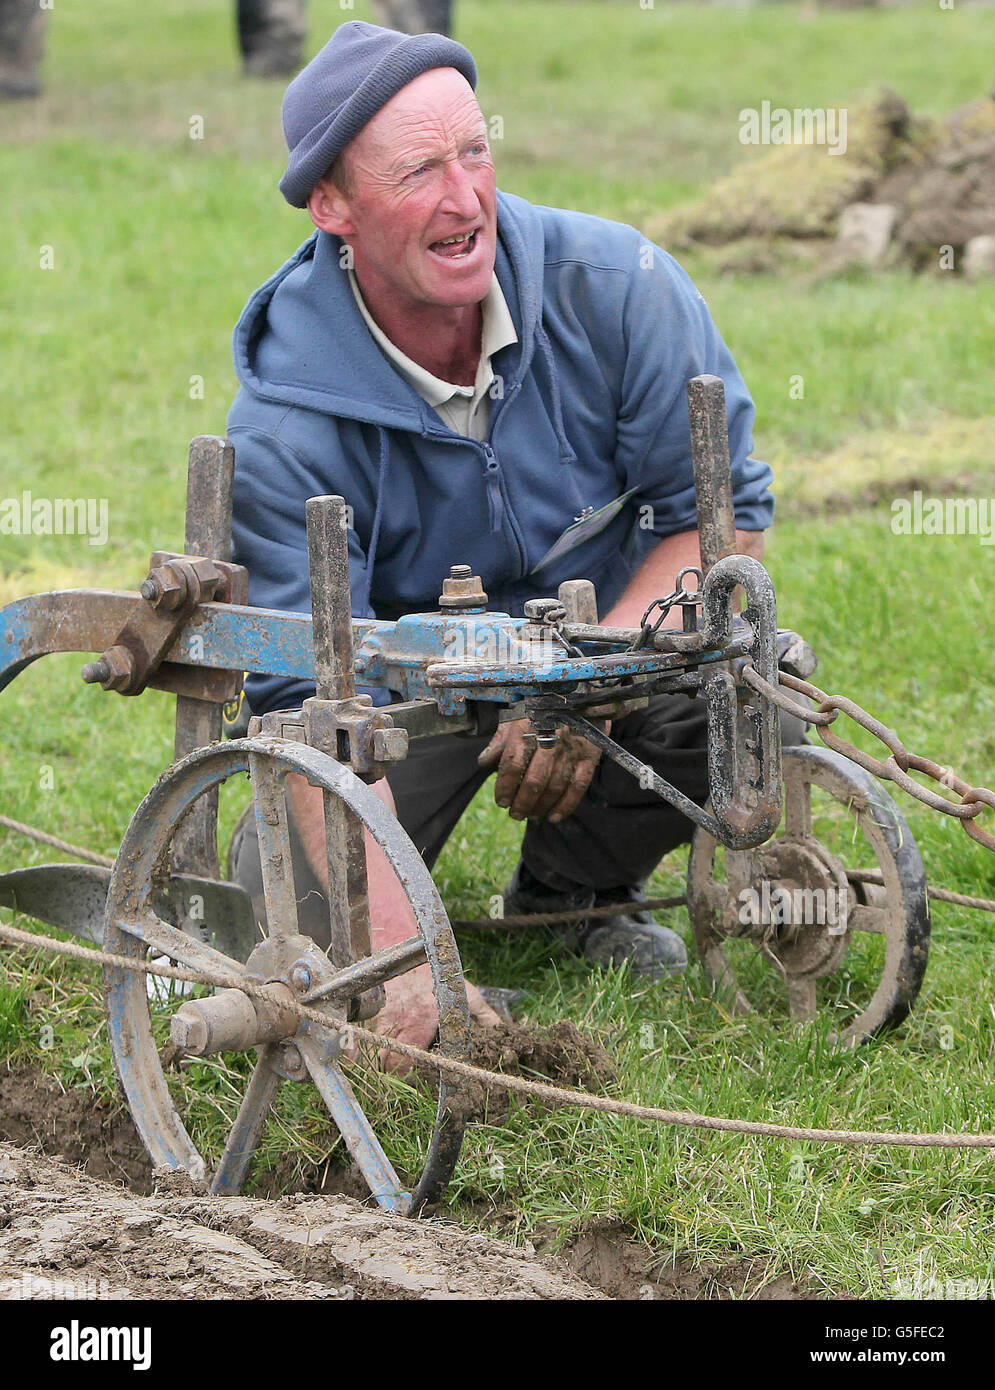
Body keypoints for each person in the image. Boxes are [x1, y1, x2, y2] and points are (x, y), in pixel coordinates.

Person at [227, 21, 774, 1053]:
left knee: (735, 677)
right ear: (332, 207)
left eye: (473, 152)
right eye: (418, 171)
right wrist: (394, 970)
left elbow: (717, 520)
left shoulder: (617, 287)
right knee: (292, 921)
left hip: (603, 643)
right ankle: (402, 952)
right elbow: (299, 703)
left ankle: (575, 899)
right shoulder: (283, 427)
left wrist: (580, 683)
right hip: (399, 702)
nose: (463, 198)